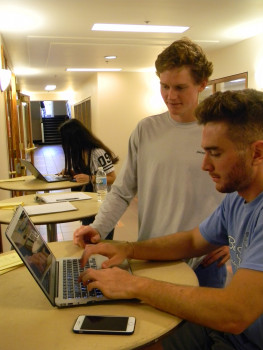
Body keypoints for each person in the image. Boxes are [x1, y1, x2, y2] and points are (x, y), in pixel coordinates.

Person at [79, 89, 263, 350]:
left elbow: (234, 312)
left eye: (216, 153)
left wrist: (133, 285)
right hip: (228, 333)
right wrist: (128, 249)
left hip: (246, 341)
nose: (205, 165)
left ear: (257, 153)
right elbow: (191, 240)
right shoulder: (237, 198)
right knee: (139, 341)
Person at [74, 38, 228, 287]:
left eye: (180, 87)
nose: (170, 96)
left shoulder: (220, 131)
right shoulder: (146, 130)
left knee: (199, 328)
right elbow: (122, 192)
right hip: (151, 255)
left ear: (202, 84)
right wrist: (98, 228)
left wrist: (234, 239)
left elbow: (246, 194)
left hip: (203, 263)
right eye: (164, 86)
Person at [59, 119, 119, 239]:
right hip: (88, 203)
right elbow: (85, 173)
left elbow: (112, 178)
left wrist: (91, 178)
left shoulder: (98, 153)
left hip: (102, 206)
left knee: (102, 242)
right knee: (89, 240)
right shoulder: (80, 153)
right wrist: (71, 173)